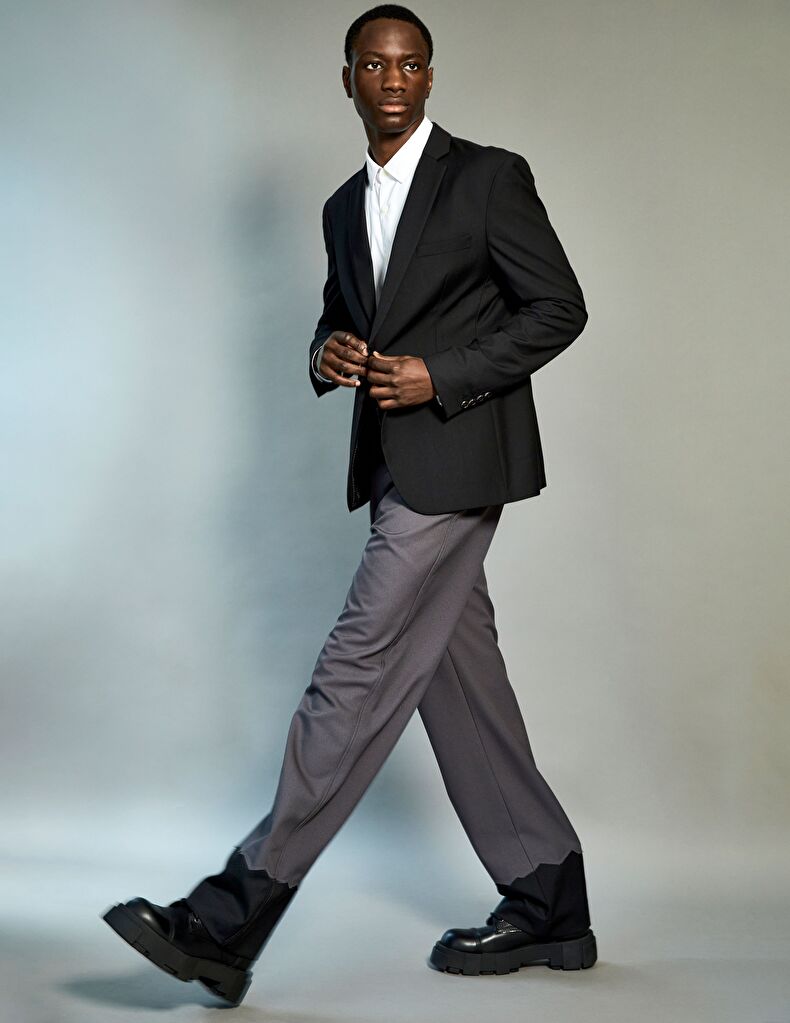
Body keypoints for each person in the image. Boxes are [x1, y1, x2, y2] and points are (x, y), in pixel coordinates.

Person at [101, 3, 597, 1006]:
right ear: (349, 79)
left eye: (410, 65)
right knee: (460, 684)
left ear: (429, 76)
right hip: (391, 469)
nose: (393, 81)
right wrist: (325, 351)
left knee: (355, 668)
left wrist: (440, 375)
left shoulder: (487, 178)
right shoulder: (341, 207)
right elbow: (347, 312)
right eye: (375, 65)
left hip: (459, 462)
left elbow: (559, 306)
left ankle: (233, 911)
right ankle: (549, 895)